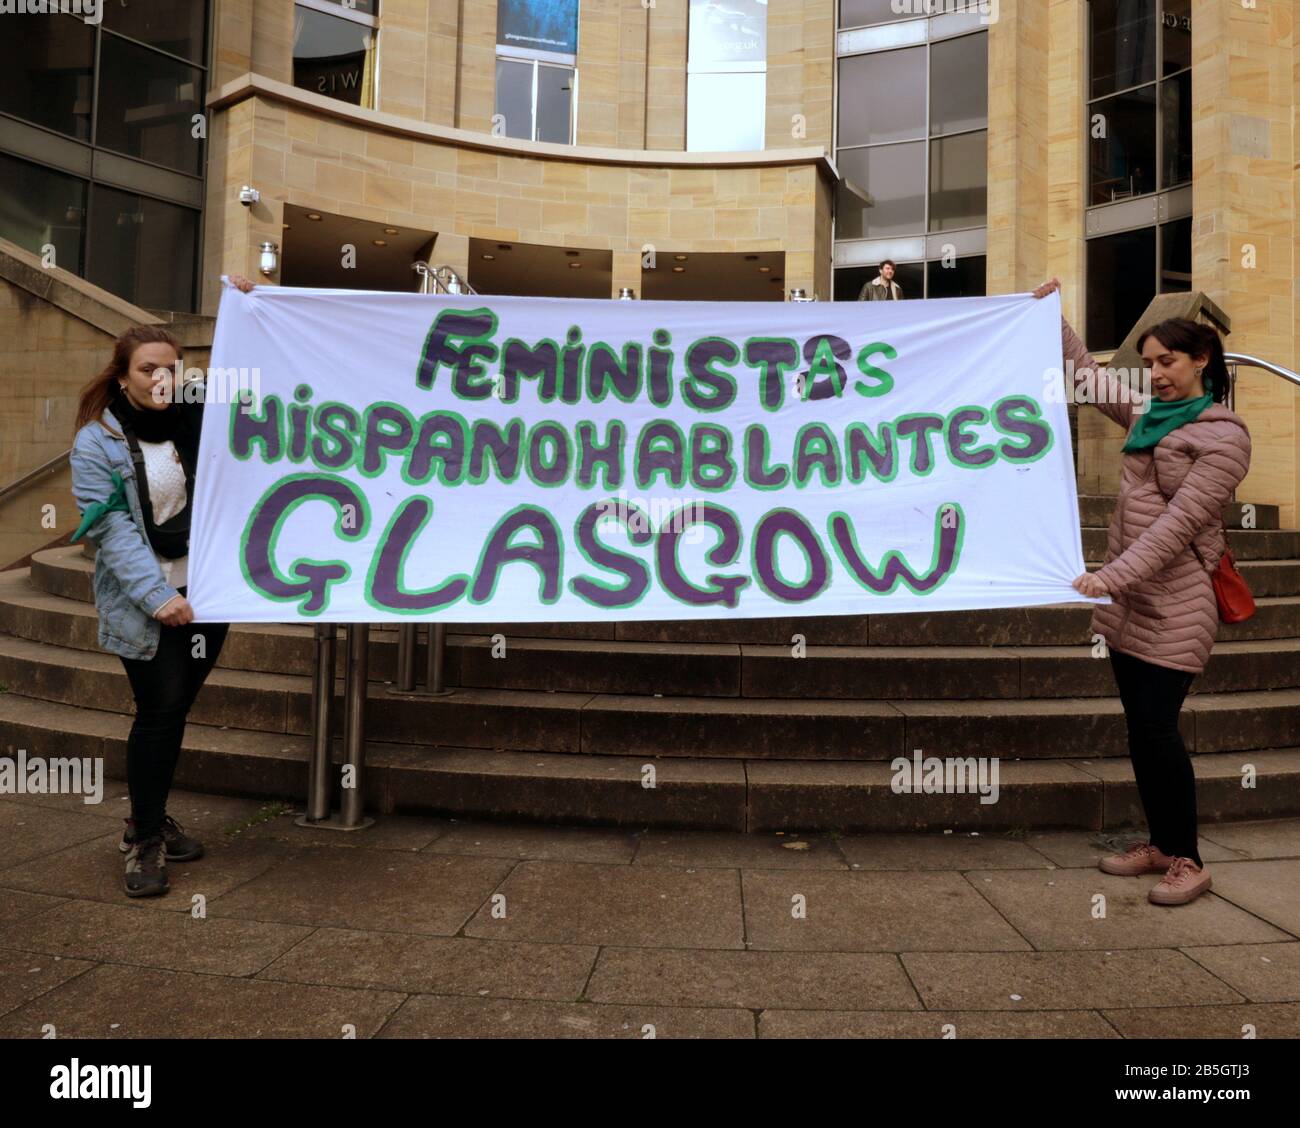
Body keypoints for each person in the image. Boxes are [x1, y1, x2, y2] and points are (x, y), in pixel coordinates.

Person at [1034, 277, 1251, 906]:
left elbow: (1176, 526)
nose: (1155, 373)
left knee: (1158, 729)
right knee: (1140, 729)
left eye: (1168, 361)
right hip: (1131, 606)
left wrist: (1106, 578)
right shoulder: (1148, 414)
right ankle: (1159, 843)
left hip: (1178, 607)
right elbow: (1086, 375)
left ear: (1201, 360)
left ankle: (1188, 859)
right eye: (1149, 362)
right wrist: (1056, 317)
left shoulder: (1224, 436)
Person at [68, 295, 251, 896]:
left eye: (170, 367)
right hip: (146, 601)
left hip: (208, 593)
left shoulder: (198, 411)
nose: (161, 378)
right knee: (160, 710)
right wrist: (156, 596)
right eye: (148, 368)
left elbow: (259, 379)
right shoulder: (97, 442)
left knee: (176, 709)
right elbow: (108, 528)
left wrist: (255, 305)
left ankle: (147, 816)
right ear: (123, 376)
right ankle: (144, 837)